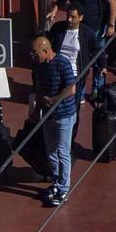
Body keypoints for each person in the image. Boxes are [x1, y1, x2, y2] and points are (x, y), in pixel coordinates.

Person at [28, 34, 79, 206]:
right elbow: (39, 88)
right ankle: (57, 181)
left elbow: (71, 89)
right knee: (50, 150)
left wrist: (54, 99)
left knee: (63, 150)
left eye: (36, 53)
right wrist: (38, 108)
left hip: (64, 114)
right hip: (48, 114)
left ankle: (64, 189)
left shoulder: (62, 63)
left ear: (46, 50)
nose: (33, 57)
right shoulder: (38, 65)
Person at [49, 0, 116, 86]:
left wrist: (111, 24)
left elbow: (112, 1)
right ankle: (79, 89)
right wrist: (55, 10)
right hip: (78, 28)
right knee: (80, 59)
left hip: (96, 28)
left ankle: (98, 88)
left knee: (98, 58)